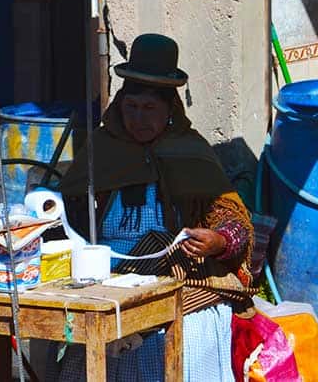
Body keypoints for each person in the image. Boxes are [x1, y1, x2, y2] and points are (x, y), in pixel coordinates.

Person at [48, 33, 255, 382]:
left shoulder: (191, 151)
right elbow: (63, 214)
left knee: (182, 323)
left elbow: (235, 222)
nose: (138, 119)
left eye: (149, 109)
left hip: (178, 277)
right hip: (107, 280)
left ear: (170, 111)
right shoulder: (101, 149)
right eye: (131, 107)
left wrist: (218, 241)